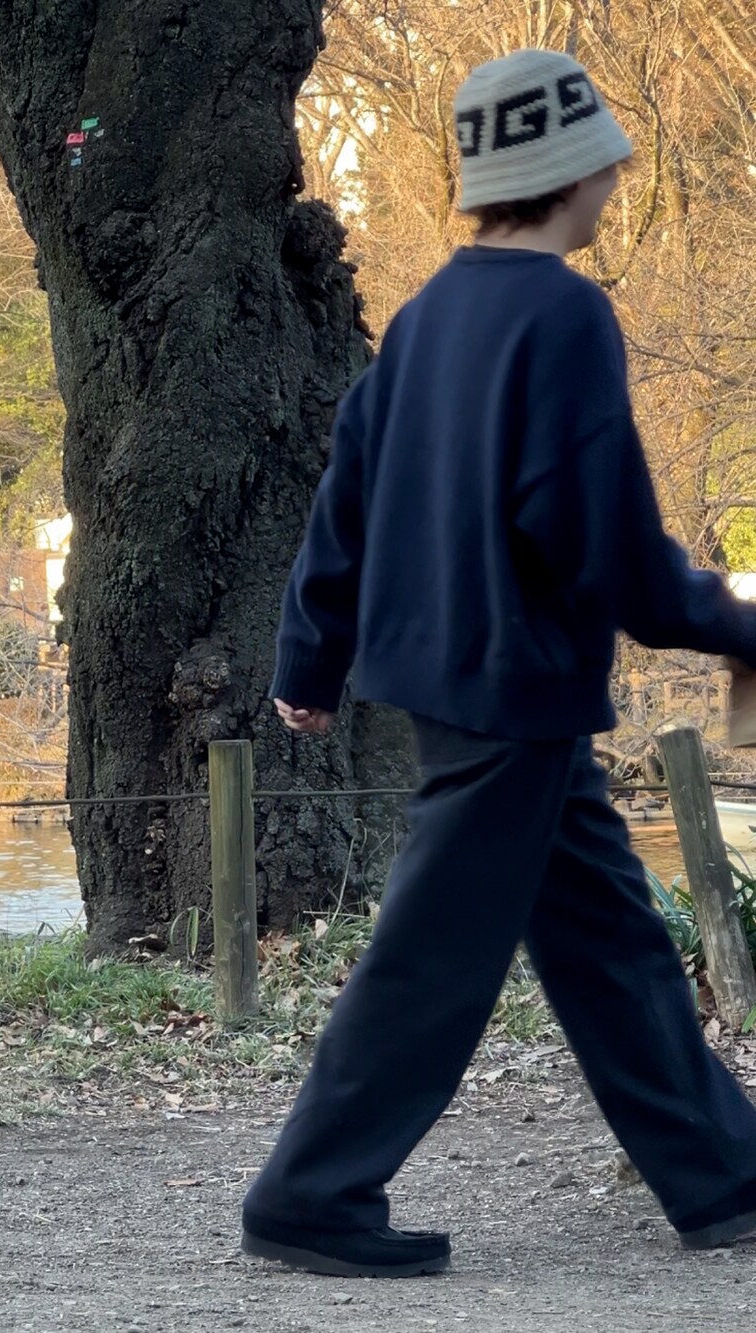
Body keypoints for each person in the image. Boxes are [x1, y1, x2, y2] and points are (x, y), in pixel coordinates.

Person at [241, 48, 756, 1279]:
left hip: (456, 680)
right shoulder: (564, 315)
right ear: (573, 170)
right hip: (512, 686)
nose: (621, 181)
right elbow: (601, 542)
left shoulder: (427, 317)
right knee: (431, 955)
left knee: (606, 937)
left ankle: (724, 1173)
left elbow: (345, 501)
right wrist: (734, 622)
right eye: (608, 161)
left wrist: (310, 656)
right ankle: (307, 1194)